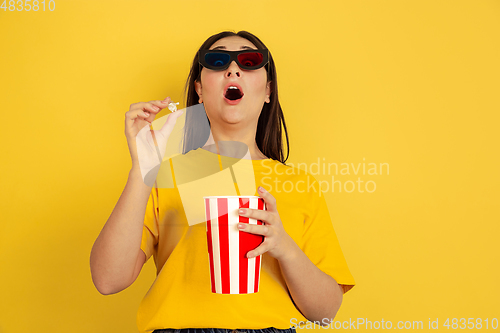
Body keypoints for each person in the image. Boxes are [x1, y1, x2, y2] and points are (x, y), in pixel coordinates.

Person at [90, 30, 355, 333]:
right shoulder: (162, 176)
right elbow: (108, 280)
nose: (232, 68)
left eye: (249, 60)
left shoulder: (300, 185)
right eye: (217, 61)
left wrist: (283, 246)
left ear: (268, 90)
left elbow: (325, 312)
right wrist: (142, 170)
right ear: (199, 90)